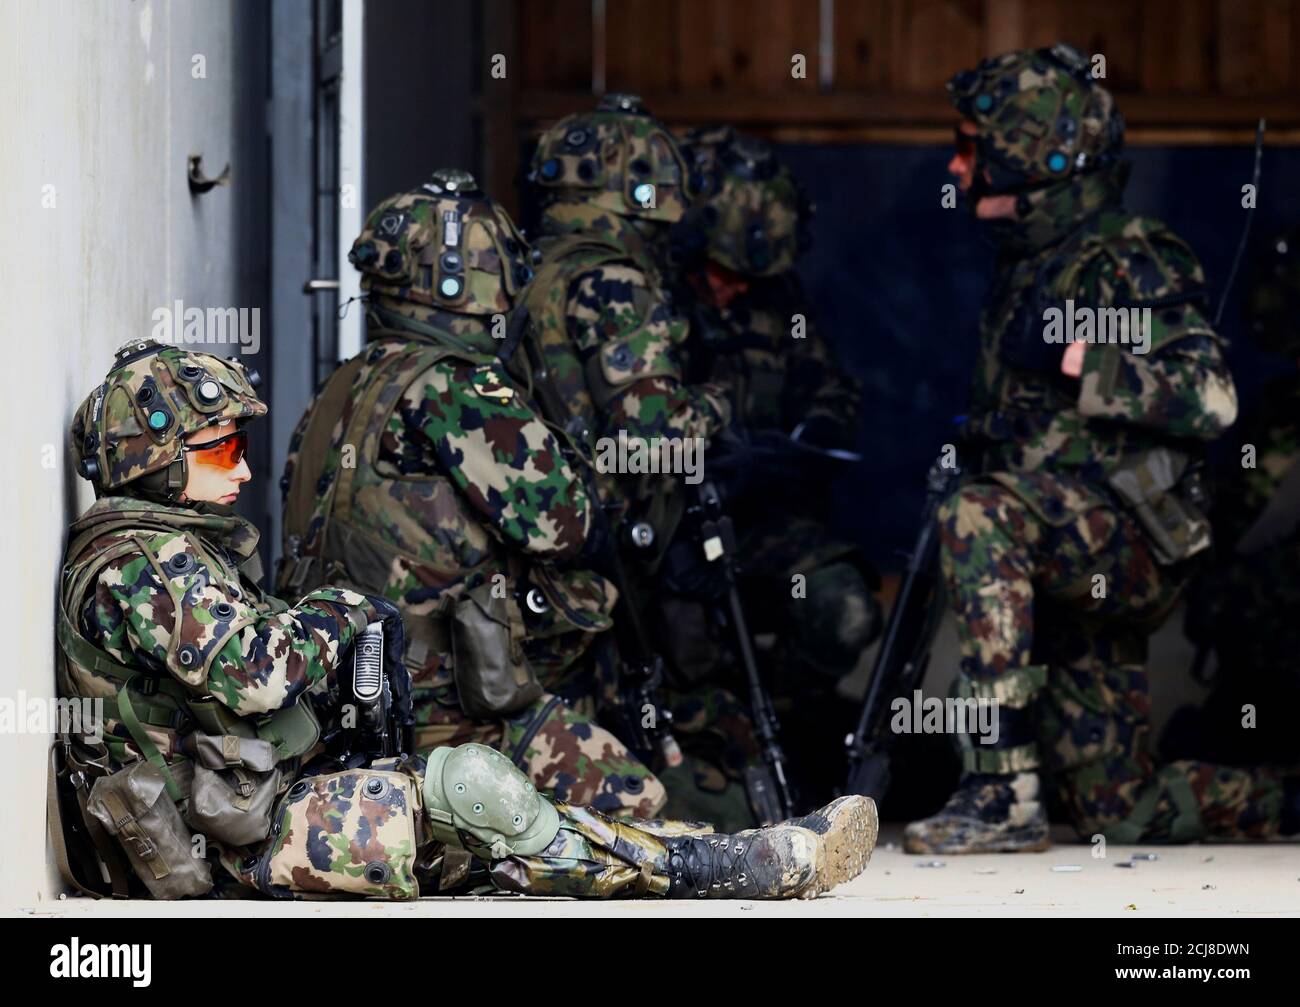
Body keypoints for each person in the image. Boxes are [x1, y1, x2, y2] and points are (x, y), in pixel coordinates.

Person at [53, 337, 879, 901]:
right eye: (220, 450)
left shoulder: (161, 550)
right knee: (477, 795)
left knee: (503, 841)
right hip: (216, 845)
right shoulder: (141, 562)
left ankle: (724, 857)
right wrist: (335, 610)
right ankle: (733, 862)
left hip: (233, 814)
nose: (240, 468)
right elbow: (258, 671)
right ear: (152, 464)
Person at [904, 44, 1300, 855]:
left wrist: (1078, 358)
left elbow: (1210, 394)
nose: (956, 164)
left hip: (1126, 538)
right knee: (1115, 810)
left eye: (971, 147)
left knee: (979, 514)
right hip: (1065, 551)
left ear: (1029, 152)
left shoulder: (1127, 252)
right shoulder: (1030, 265)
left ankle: (1000, 791)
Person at [278, 170, 665, 819]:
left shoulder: (339, 387)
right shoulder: (458, 390)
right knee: (635, 800)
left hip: (330, 710)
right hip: (444, 711)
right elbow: (564, 523)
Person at [524, 96, 770, 828]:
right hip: (594, 547)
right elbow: (655, 432)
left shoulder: (527, 268)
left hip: (533, 538)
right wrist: (721, 407)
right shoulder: (614, 282)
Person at [660, 125, 880, 803]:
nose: (734, 291)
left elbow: (835, 391)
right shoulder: (651, 293)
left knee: (842, 608)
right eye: (723, 276)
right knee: (681, 643)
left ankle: (780, 728)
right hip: (670, 525)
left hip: (764, 521)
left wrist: (808, 435)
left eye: (746, 279)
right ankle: (705, 755)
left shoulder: (781, 299)